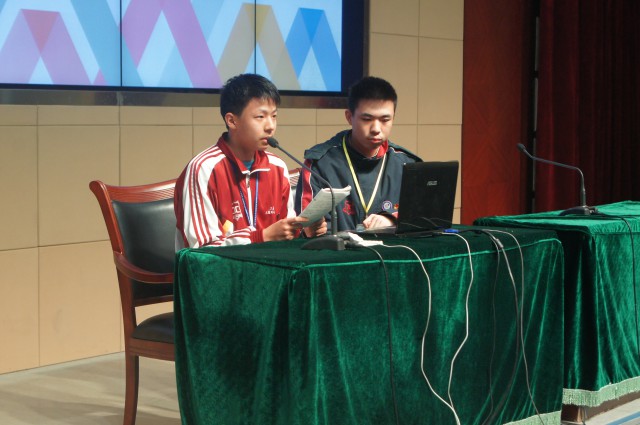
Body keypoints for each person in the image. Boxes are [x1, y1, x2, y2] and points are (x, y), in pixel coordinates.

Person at [174, 73, 326, 249]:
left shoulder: (277, 167)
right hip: (221, 267)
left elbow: (285, 235)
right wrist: (260, 237)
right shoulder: (204, 169)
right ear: (232, 121)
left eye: (274, 116)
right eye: (260, 117)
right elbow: (201, 249)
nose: (270, 126)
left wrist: (303, 232)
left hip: (269, 263)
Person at [295, 76, 421, 231]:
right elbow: (305, 227)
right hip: (336, 247)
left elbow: (425, 218)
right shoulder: (319, 164)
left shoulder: (407, 165)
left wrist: (392, 219)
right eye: (367, 119)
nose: (376, 129)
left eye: (385, 120)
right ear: (349, 117)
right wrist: (311, 229)